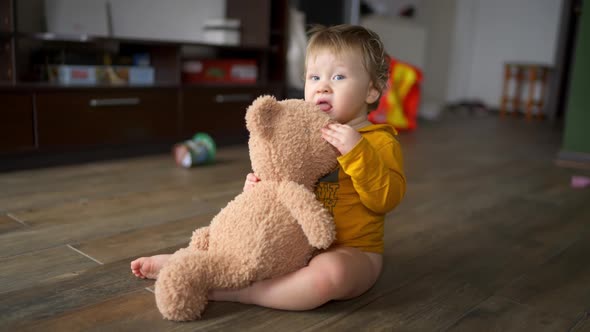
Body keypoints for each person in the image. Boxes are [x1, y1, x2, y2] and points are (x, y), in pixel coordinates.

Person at [131, 24, 406, 311]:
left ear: (372, 91)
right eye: (314, 77)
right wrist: (260, 190)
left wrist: (357, 152)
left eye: (338, 76)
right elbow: (284, 182)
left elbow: (385, 200)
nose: (323, 86)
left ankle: (241, 293)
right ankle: (185, 263)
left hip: (352, 251)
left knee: (329, 276)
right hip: (290, 244)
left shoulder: (379, 142)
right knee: (241, 243)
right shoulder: (301, 134)